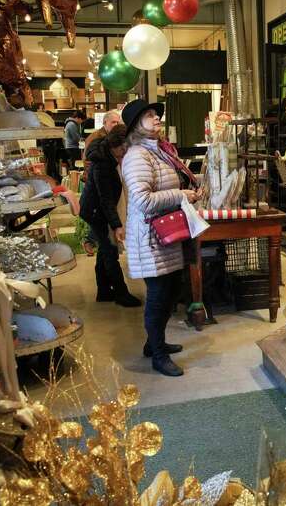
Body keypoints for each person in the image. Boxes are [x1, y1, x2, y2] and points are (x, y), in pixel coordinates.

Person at [121, 99, 202, 377]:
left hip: (164, 235)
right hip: (149, 238)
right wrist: (182, 195)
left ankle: (153, 343)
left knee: (171, 291)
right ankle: (157, 355)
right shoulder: (137, 156)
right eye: (149, 116)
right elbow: (143, 200)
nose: (157, 119)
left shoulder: (158, 152)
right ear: (136, 126)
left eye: (156, 115)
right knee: (158, 296)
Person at [79, 124, 142, 308]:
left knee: (105, 250)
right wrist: (117, 225)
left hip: (96, 208)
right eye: (122, 148)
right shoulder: (102, 163)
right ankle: (121, 293)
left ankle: (104, 291)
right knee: (109, 251)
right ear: (114, 144)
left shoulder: (107, 155)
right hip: (95, 210)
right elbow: (105, 198)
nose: (125, 152)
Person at [81, 110, 123, 256]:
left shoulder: (111, 140)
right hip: (96, 193)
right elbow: (89, 162)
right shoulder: (98, 141)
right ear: (105, 123)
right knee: (107, 244)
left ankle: (91, 241)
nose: (116, 125)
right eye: (113, 122)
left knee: (105, 239)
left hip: (99, 195)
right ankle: (89, 240)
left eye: (118, 122)